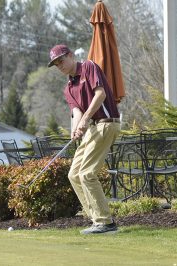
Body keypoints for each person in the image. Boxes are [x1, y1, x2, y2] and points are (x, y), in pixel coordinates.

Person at [48, 44, 121, 234]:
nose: (60, 66)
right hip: (92, 128)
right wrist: (75, 131)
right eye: (56, 65)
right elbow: (76, 112)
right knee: (74, 174)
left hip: (106, 123)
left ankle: (106, 223)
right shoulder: (69, 88)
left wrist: (86, 119)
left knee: (87, 173)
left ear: (71, 56)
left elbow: (100, 94)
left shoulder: (88, 66)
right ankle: (97, 219)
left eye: (61, 61)